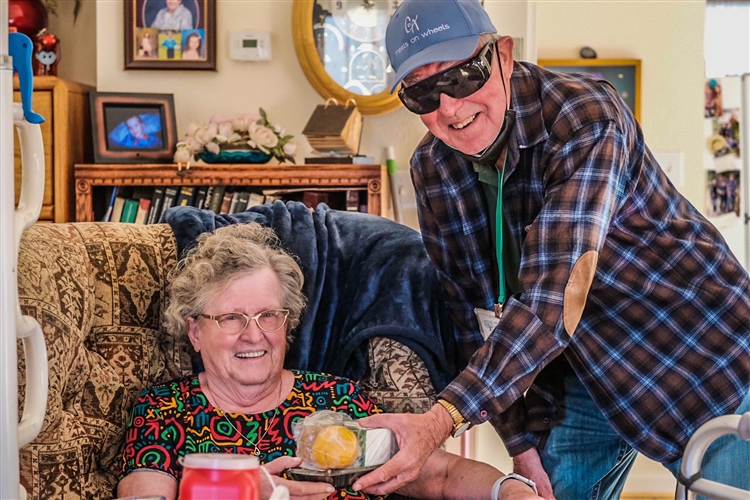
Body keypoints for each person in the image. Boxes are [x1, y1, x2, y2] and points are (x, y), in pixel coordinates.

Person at [351, 1, 750, 499]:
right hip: (579, 372)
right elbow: (469, 310)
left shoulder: (585, 116)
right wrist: (519, 439)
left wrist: (439, 420)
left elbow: (555, 293)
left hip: (695, 349)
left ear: (503, 54)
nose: (449, 108)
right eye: (423, 94)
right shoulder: (433, 168)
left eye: (464, 76)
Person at [116, 223, 543, 500]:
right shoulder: (166, 410)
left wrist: (511, 491)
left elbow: (440, 475)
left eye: (269, 315)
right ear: (194, 331)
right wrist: (247, 491)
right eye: (231, 318)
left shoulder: (336, 398)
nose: (253, 333)